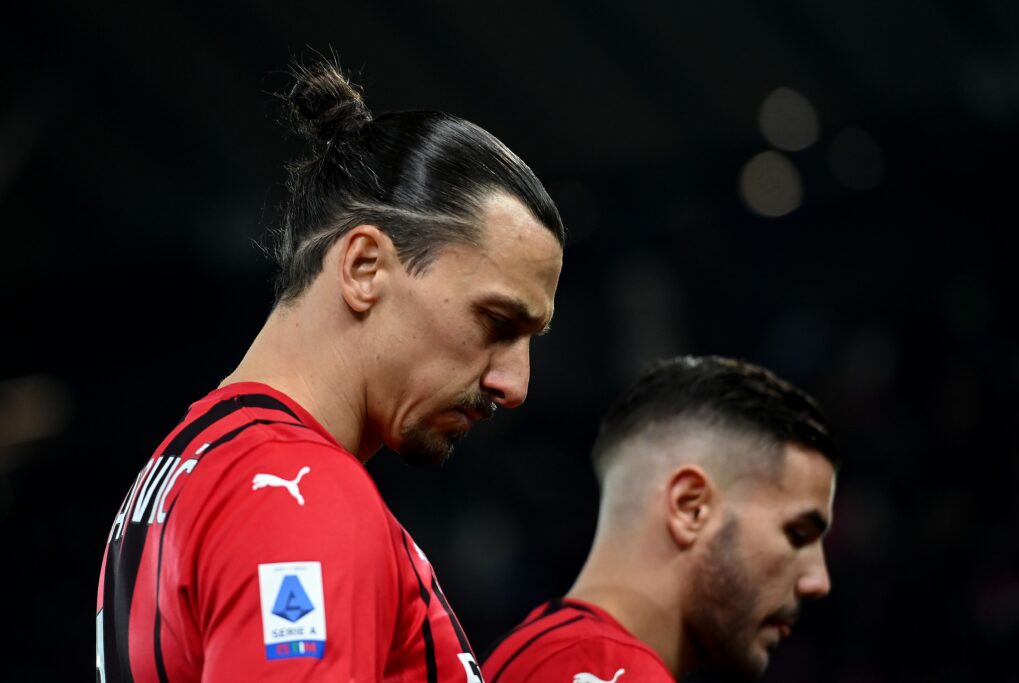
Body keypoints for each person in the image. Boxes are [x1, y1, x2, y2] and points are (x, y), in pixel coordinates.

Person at [95, 60, 565, 683]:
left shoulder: (185, 469)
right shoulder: (296, 490)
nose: (515, 385)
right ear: (365, 267)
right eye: (497, 322)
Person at [482, 356, 838, 682]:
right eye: (797, 534)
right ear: (690, 507)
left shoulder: (558, 655)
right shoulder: (595, 668)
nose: (818, 582)